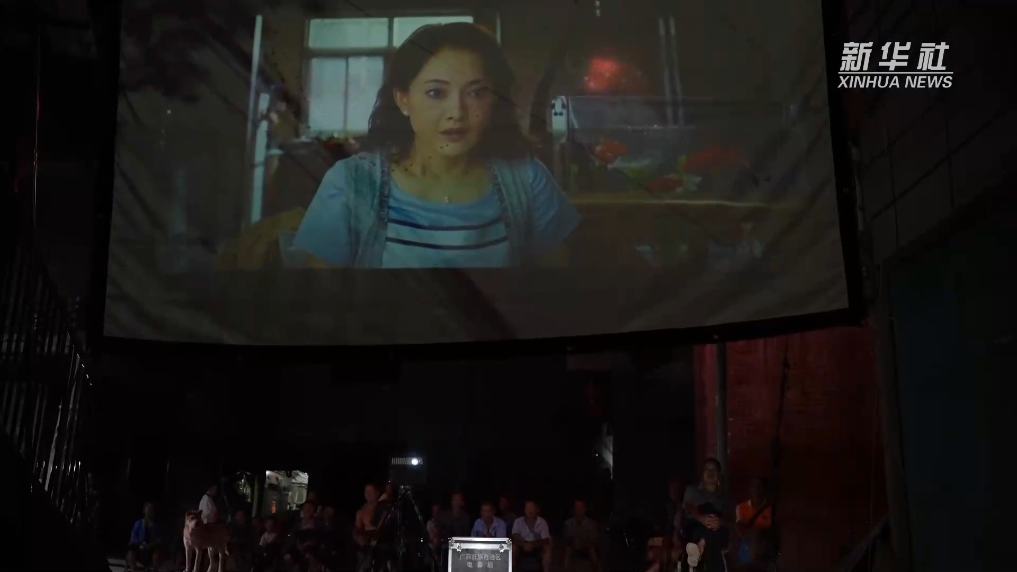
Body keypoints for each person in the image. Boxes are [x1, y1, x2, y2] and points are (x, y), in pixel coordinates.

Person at [293, 22, 580, 269]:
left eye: (476, 92)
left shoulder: (526, 180)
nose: (457, 112)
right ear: (403, 100)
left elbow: (556, 291)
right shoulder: (351, 183)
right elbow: (321, 299)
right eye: (436, 93)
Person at [682, 458, 733, 570]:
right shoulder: (693, 490)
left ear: (719, 474)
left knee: (715, 533)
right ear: (702, 473)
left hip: (717, 533)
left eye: (713, 470)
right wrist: (701, 518)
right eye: (707, 469)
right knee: (707, 508)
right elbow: (689, 507)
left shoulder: (724, 497)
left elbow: (730, 520)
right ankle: (702, 545)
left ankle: (700, 547)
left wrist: (720, 522)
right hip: (695, 529)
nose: (710, 473)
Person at [734, 477, 774, 567]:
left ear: (764, 489)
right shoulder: (741, 507)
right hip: (747, 545)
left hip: (764, 547)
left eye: (759, 486)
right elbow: (740, 529)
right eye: (754, 486)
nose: (756, 489)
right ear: (749, 488)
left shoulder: (771, 509)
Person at [511, 500, 551, 572]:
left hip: (537, 545)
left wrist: (533, 545)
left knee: (547, 549)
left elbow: (545, 539)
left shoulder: (542, 522)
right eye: (527, 508)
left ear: (537, 510)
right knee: (513, 548)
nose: (529, 511)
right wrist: (524, 544)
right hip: (521, 545)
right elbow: (515, 537)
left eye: (531, 508)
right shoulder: (518, 521)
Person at [126, 502, 163, 572]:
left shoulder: (156, 525)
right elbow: (133, 537)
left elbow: (159, 539)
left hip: (151, 549)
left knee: (157, 554)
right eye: (148, 510)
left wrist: (150, 545)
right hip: (139, 548)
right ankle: (134, 570)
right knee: (131, 553)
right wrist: (140, 544)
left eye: (151, 510)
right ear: (144, 511)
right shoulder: (138, 523)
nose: (149, 512)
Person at [563, 499, 598, 572]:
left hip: (587, 548)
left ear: (585, 509)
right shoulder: (568, 524)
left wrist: (584, 542)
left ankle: (595, 568)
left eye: (580, 508)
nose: (578, 510)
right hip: (573, 547)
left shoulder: (591, 524)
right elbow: (568, 540)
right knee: (568, 550)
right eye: (576, 508)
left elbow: (593, 541)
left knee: (592, 550)